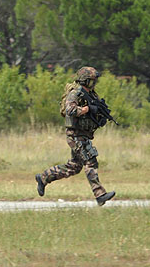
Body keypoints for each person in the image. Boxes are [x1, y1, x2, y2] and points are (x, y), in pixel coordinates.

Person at [35, 66, 115, 206]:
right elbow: (70, 109)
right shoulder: (75, 93)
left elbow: (93, 110)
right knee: (90, 160)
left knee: (74, 167)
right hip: (75, 135)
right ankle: (100, 194)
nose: (94, 84)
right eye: (91, 81)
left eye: (94, 81)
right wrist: (87, 109)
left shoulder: (91, 94)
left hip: (84, 134)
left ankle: (43, 177)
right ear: (85, 81)